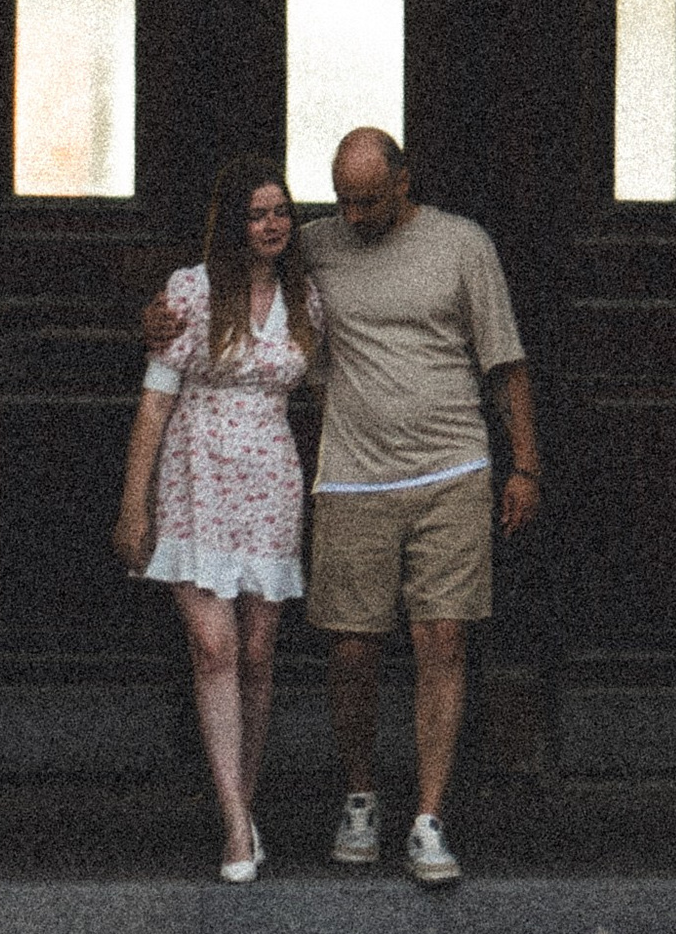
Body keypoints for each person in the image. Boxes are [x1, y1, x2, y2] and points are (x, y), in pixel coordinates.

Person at [294, 128, 540, 886]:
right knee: (353, 647)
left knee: (443, 639)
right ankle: (361, 794)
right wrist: (159, 315)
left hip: (451, 468)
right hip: (352, 475)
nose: (354, 215)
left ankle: (429, 816)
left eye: (368, 199)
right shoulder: (314, 246)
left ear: (405, 181)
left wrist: (525, 466)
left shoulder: (462, 245)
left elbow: (505, 361)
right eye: (342, 200)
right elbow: (230, 279)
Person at [112, 158, 324, 882]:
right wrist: (132, 505)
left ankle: (246, 801)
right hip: (196, 473)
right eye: (258, 213)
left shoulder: (306, 300)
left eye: (281, 213)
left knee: (260, 651)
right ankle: (235, 824)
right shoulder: (191, 292)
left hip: (270, 477)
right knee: (214, 647)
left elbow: (322, 390)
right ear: (234, 223)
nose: (272, 225)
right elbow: (155, 399)